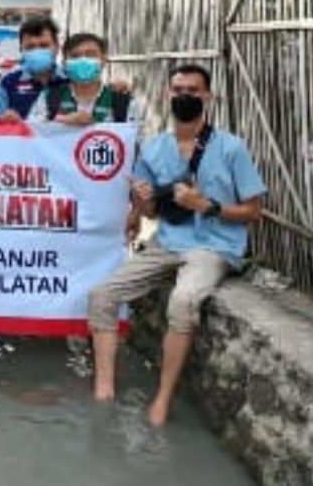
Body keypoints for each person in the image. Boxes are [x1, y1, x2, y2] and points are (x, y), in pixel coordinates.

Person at [88, 64, 266, 426]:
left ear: (208, 96)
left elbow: (254, 211)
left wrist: (207, 206)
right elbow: (153, 211)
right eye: (178, 90)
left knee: (183, 301)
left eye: (193, 90)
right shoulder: (155, 149)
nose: (185, 96)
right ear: (167, 94)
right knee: (101, 295)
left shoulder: (231, 148)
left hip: (215, 245)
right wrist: (142, 201)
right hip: (167, 240)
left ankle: (162, 399)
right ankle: (104, 388)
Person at [27, 32, 142, 124]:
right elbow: (31, 133)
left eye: (90, 54)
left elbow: (136, 140)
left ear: (103, 60)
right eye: (75, 56)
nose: (83, 60)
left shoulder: (122, 101)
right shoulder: (49, 97)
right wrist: (61, 121)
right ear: (65, 63)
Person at [0, 16, 68, 121]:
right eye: (30, 47)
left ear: (57, 47)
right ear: (21, 50)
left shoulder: (69, 79)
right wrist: (7, 122)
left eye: (44, 45)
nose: (37, 51)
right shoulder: (6, 82)